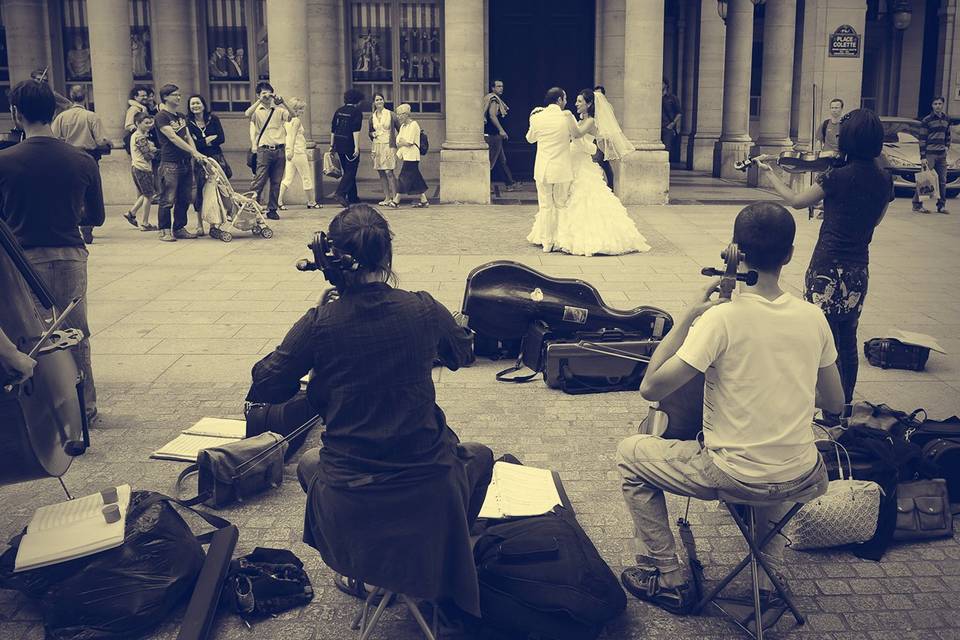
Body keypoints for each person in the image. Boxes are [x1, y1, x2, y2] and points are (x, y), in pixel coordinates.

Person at [245, 205, 493, 623]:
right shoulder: (423, 308)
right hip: (429, 487)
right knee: (481, 456)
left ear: (333, 258)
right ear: (388, 256)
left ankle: (366, 569)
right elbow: (463, 352)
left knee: (308, 465)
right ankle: (437, 561)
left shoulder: (319, 321)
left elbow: (266, 384)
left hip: (350, 497)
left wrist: (318, 334)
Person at [617, 202, 844, 615]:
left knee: (630, 456)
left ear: (735, 251)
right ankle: (765, 579)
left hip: (735, 474)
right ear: (790, 254)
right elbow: (835, 403)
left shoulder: (720, 320)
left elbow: (650, 386)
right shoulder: (814, 318)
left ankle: (668, 577)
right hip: (803, 475)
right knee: (775, 464)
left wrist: (688, 317)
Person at [759, 109, 893, 419]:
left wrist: (769, 174)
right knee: (847, 337)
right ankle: (842, 408)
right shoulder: (884, 179)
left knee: (823, 339)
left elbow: (796, 201)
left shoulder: (837, 176)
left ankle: (829, 409)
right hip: (859, 267)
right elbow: (877, 220)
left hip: (827, 268)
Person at [0, 80, 105, 424]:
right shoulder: (82, 160)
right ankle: (85, 407)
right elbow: (97, 216)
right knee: (75, 333)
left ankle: (45, 408)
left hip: (22, 259)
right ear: (55, 111)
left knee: (32, 334)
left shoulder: (5, 161)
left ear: (16, 114)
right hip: (70, 254)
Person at [549, 89, 649, 256]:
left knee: (585, 198)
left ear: (589, 104)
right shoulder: (582, 120)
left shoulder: (591, 122)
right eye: (576, 101)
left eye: (580, 101)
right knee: (569, 199)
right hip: (573, 163)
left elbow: (576, 134)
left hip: (582, 165)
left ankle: (590, 238)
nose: (576, 104)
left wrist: (566, 116)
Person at [51, 85, 110, 244]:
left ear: (70, 95)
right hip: (87, 157)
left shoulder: (61, 117)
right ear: (85, 97)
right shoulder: (91, 116)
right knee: (89, 192)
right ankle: (87, 226)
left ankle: (72, 225)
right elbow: (100, 140)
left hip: (67, 157)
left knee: (70, 192)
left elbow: (54, 138)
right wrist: (106, 142)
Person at [154, 83, 205, 242]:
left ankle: (179, 227)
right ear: (165, 97)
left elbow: (187, 136)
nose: (178, 97)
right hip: (170, 163)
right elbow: (173, 137)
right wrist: (193, 152)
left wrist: (196, 153)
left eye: (179, 94)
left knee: (185, 197)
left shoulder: (181, 116)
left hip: (185, 162)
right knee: (167, 198)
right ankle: (164, 230)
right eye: (175, 94)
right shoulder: (161, 116)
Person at [246, 82, 290, 220]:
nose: (266, 95)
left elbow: (293, 116)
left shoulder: (279, 110)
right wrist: (259, 100)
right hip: (264, 150)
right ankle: (252, 207)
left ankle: (272, 209)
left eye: (268, 92)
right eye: (263, 93)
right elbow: (247, 114)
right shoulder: (256, 111)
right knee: (259, 180)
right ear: (258, 95)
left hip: (279, 150)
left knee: (276, 182)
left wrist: (283, 103)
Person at [187, 94, 230, 233]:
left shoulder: (213, 119)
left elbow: (221, 138)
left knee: (216, 190)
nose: (195, 106)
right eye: (192, 104)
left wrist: (200, 142)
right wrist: (207, 141)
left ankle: (213, 224)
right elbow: (193, 145)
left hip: (215, 158)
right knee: (200, 191)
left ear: (204, 105)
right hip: (200, 161)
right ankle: (199, 224)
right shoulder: (188, 122)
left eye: (197, 103)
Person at [277, 97, 319, 210]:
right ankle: (312, 202)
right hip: (298, 152)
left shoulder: (286, 121)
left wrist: (289, 150)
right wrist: (290, 150)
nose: (302, 111)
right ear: (295, 109)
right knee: (306, 177)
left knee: (288, 178)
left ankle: (279, 201)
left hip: (291, 152)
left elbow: (288, 136)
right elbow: (292, 136)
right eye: (301, 109)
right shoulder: (296, 120)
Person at [913, 96, 952, 214]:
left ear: (943, 105)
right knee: (924, 180)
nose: (938, 106)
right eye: (935, 104)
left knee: (942, 181)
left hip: (941, 155)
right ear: (932, 105)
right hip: (929, 155)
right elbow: (922, 139)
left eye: (940, 103)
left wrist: (947, 147)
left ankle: (941, 206)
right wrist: (923, 157)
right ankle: (917, 205)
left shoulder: (947, 119)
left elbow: (948, 135)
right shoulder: (927, 120)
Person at [330, 89, 364, 208]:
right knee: (351, 171)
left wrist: (331, 145)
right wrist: (356, 147)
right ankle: (340, 193)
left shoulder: (339, 111)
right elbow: (356, 130)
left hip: (339, 144)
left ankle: (353, 196)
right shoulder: (356, 112)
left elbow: (333, 129)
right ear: (357, 100)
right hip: (349, 144)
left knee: (347, 170)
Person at [390, 103, 429, 208]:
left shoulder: (414, 125)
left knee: (403, 176)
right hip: (406, 155)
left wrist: (403, 142)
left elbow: (409, 142)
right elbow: (398, 141)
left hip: (413, 156)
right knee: (415, 178)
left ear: (406, 114)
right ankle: (424, 200)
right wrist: (403, 142)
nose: (398, 117)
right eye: (397, 115)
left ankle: (396, 200)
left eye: (400, 114)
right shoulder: (402, 126)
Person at [482, 80, 518, 192]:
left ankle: (510, 183)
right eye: (498, 86)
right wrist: (501, 131)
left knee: (502, 160)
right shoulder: (493, 100)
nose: (501, 88)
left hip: (492, 135)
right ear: (492, 88)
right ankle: (484, 185)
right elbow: (492, 116)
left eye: (502, 86)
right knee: (490, 162)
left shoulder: (490, 98)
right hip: (493, 135)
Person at [124, 111, 157, 231]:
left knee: (145, 193)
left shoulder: (137, 135)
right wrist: (154, 149)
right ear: (138, 123)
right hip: (142, 168)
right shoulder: (140, 137)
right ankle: (145, 223)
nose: (149, 125)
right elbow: (148, 155)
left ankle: (131, 213)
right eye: (146, 123)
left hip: (137, 167)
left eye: (150, 122)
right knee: (149, 195)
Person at [367, 93, 398, 208]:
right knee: (381, 172)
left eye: (380, 99)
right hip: (377, 146)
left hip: (388, 146)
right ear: (374, 102)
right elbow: (369, 132)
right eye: (376, 100)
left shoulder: (391, 114)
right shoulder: (372, 117)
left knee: (389, 172)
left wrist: (398, 143)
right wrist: (372, 134)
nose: (379, 102)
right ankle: (387, 197)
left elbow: (400, 129)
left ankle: (395, 198)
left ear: (384, 101)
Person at [592, 85, 615, 189]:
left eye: (599, 94)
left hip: (601, 138)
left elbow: (610, 125)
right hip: (592, 139)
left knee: (602, 163)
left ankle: (608, 186)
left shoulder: (607, 108)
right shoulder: (591, 108)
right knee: (599, 164)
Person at [661, 78, 682, 162]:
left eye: (661, 83)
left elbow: (679, 112)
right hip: (656, 127)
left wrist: (672, 124)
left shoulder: (672, 98)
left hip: (667, 127)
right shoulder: (654, 98)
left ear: (666, 85)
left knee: (666, 150)